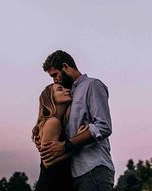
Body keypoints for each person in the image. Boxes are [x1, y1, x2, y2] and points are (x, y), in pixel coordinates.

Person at [40, 50, 115, 191]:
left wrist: (68, 144)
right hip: (76, 174)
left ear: (66, 66)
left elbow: (104, 126)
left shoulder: (92, 85)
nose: (54, 80)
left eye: (55, 75)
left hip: (93, 168)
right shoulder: (70, 95)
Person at [32, 83, 85, 191]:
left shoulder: (59, 123)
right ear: (51, 98)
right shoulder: (53, 122)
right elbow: (48, 162)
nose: (66, 90)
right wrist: (78, 144)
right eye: (60, 89)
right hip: (51, 185)